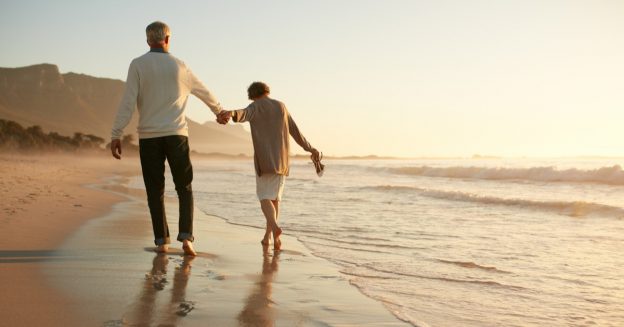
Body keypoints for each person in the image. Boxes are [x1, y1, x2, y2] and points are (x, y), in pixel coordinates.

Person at [111, 21, 228, 256]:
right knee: (184, 187)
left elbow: (128, 101)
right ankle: (187, 239)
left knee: (155, 190)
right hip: (177, 136)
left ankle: (162, 241)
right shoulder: (180, 66)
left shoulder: (138, 65)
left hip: (149, 137)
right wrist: (219, 111)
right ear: (168, 39)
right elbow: (204, 91)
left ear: (147, 40)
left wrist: (116, 133)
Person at [217, 82, 320, 250]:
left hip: (264, 160)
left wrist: (230, 113)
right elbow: (295, 131)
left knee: (264, 197)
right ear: (266, 91)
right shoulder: (281, 106)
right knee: (274, 199)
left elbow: (242, 114)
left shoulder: (255, 106)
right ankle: (271, 238)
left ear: (252, 94)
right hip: (281, 161)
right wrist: (310, 148)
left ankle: (274, 230)